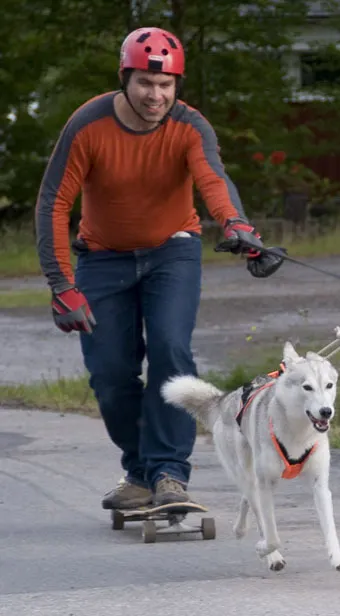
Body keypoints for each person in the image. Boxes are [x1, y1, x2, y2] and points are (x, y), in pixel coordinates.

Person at [34, 26, 285, 510]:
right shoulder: (88, 124)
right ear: (125, 78)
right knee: (110, 374)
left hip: (173, 251)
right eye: (146, 83)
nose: (156, 94)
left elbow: (212, 176)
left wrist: (237, 226)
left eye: (166, 85)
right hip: (102, 258)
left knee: (171, 350)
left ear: (177, 86)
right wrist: (60, 284)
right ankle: (141, 472)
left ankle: (170, 473)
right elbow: (52, 203)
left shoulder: (190, 126)